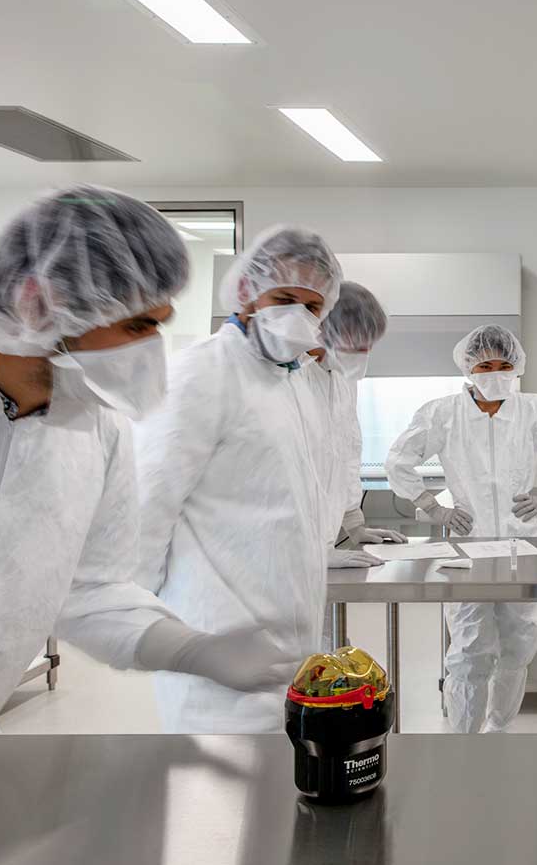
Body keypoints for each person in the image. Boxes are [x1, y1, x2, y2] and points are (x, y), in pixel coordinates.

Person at [0, 187, 295, 750]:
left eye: (161, 324)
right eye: (138, 325)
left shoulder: (93, 426)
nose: (153, 350)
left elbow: (91, 586)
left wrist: (191, 649)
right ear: (40, 302)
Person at [134, 225, 343, 733]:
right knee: (216, 801)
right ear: (248, 292)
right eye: (285, 297)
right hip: (216, 642)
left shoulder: (294, 383)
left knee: (278, 794)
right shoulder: (202, 373)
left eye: (312, 307)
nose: (298, 315)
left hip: (290, 642)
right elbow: (145, 502)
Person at [386, 325, 537, 732]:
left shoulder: (533, 409)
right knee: (469, 647)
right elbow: (398, 460)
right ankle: (464, 739)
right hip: (467, 547)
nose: (495, 373)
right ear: (468, 367)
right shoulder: (443, 413)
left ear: (517, 367)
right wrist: (431, 506)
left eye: (504, 365)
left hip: (521, 543)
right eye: (485, 365)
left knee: (519, 642)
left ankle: (499, 730)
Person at [307, 281, 405, 569]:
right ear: (322, 331)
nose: (361, 355)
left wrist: (354, 522)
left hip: (320, 543)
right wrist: (311, 552)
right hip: (286, 551)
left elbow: (347, 449)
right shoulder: (291, 378)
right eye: (353, 345)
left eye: (367, 347)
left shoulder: (341, 378)